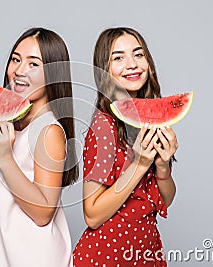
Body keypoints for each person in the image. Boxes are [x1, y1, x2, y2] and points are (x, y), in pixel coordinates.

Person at [0, 27, 78, 267]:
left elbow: (43, 214)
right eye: (16, 59)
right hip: (6, 253)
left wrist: (6, 158)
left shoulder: (48, 131)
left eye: (34, 64)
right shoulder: (12, 119)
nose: (20, 70)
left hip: (36, 257)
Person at [73, 27, 178, 267]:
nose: (132, 64)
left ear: (148, 63)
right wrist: (140, 164)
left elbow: (165, 199)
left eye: (138, 55)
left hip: (146, 252)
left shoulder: (150, 121)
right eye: (118, 58)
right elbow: (92, 214)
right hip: (107, 256)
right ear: (105, 71)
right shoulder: (103, 125)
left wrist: (162, 167)